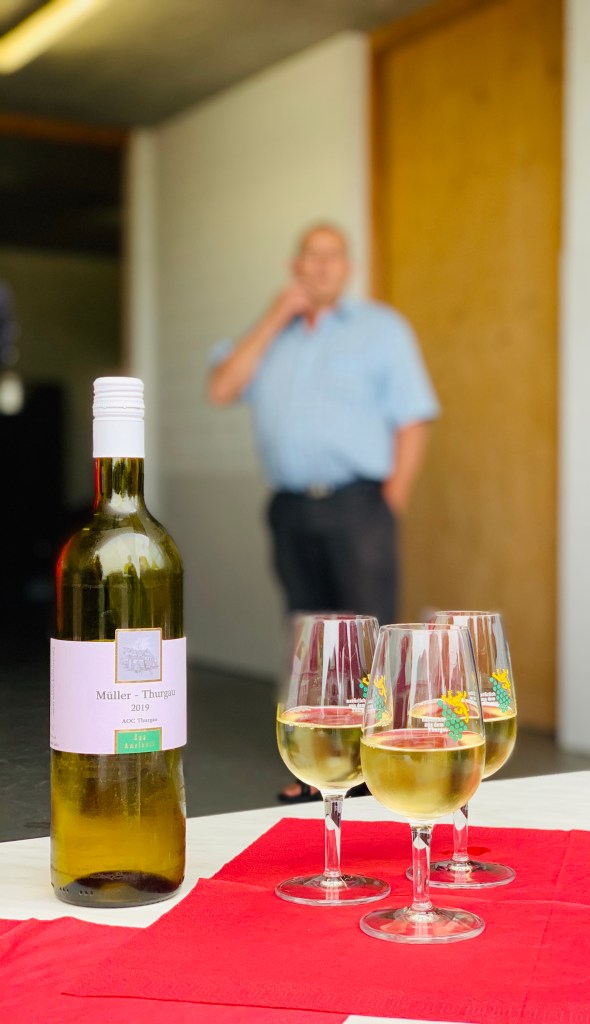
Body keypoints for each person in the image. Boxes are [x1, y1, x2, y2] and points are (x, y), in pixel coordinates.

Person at [208, 223, 439, 800]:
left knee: (369, 639)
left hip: (359, 504)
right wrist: (273, 317)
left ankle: (375, 774)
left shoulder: (381, 330)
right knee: (309, 643)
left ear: (348, 267)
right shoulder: (273, 335)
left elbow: (413, 418)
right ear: (296, 267)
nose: (323, 266)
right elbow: (222, 388)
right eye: (312, 256)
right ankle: (319, 773)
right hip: (290, 507)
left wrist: (391, 500)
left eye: (334, 256)